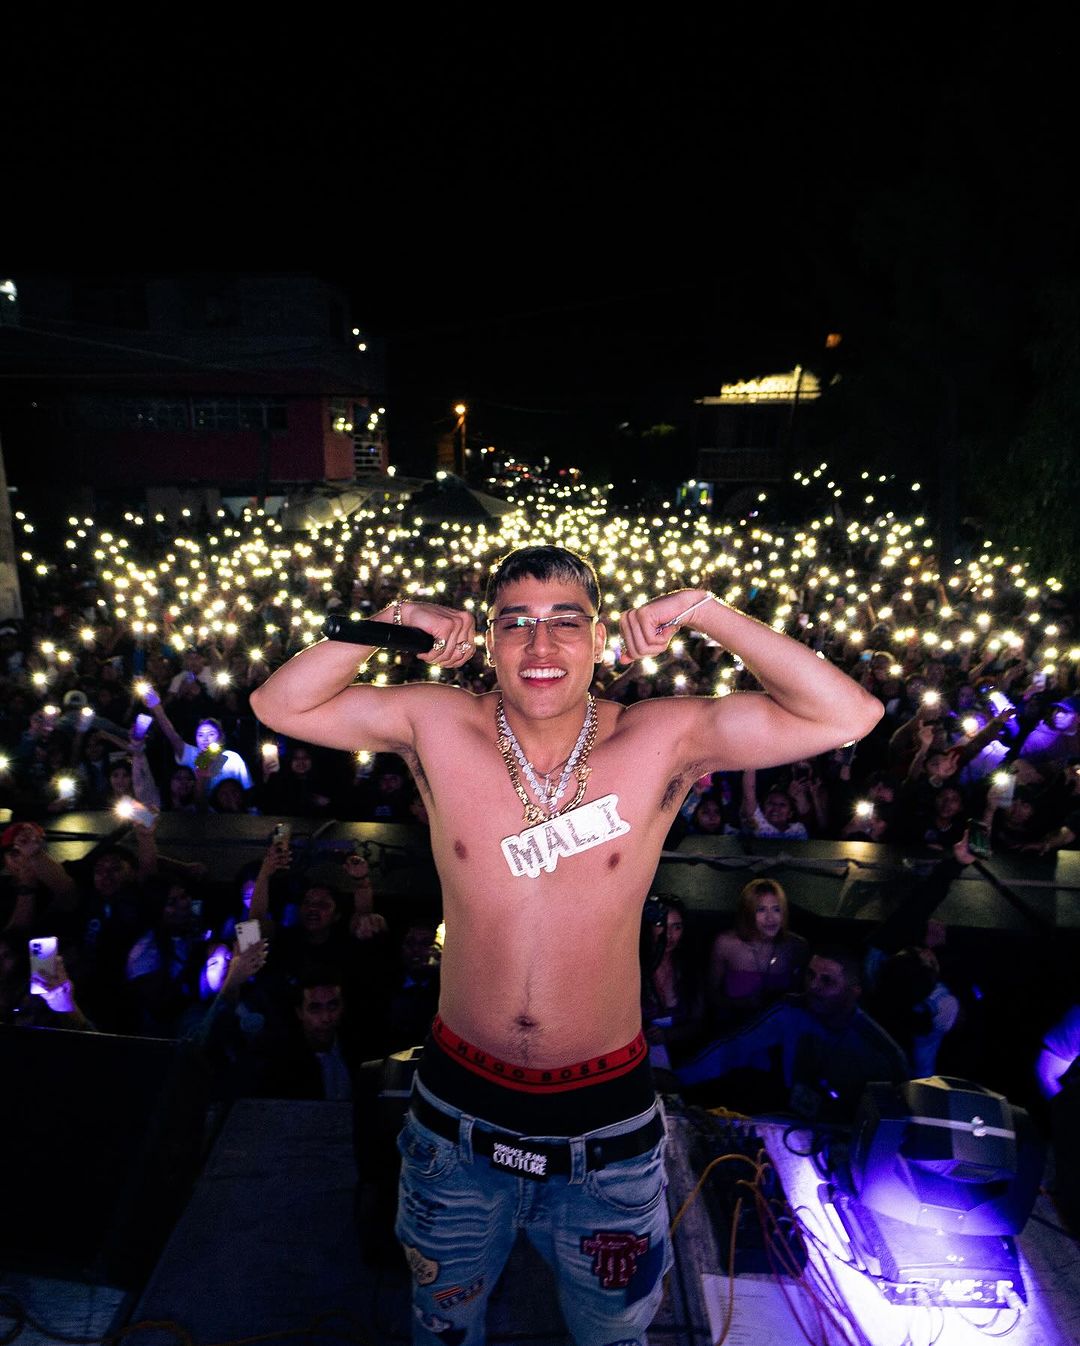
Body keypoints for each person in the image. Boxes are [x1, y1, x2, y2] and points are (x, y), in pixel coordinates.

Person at [250, 545, 882, 1346]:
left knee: (613, 1337)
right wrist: (397, 618)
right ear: (487, 639)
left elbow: (847, 715)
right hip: (457, 1121)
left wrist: (704, 609)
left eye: (565, 623)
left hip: (605, 1135)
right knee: (443, 1332)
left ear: (601, 637)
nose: (540, 645)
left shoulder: (662, 736)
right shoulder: (437, 722)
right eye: (516, 624)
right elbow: (279, 703)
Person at [678, 945, 909, 1120]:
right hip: (790, 1118)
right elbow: (734, 1046)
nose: (813, 986)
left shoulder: (881, 1051)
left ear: (853, 992)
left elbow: (895, 1120)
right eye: (810, 974)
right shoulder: (791, 1009)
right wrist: (678, 1079)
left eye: (827, 981)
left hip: (844, 1138)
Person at [706, 878, 808, 1028]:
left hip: (779, 1028)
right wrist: (739, 1004)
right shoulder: (726, 943)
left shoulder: (796, 946)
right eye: (761, 910)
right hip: (734, 1028)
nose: (770, 918)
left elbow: (804, 996)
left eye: (776, 909)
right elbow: (710, 993)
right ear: (747, 912)